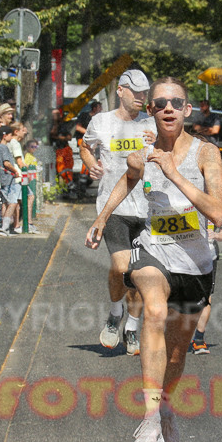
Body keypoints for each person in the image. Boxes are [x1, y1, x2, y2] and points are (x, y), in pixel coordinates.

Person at [86, 77, 222, 442]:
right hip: (153, 251)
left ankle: (165, 411)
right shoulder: (142, 153)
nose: (167, 107)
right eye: (160, 102)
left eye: (175, 102)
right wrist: (102, 218)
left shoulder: (205, 153)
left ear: (186, 110)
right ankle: (149, 418)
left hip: (195, 263)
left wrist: (173, 173)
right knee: (154, 309)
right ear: (152, 110)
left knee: (177, 356)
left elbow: (218, 212)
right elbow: (127, 181)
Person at [80, 70, 155, 355]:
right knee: (122, 267)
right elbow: (85, 146)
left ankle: (132, 326)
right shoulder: (101, 121)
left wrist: (158, 143)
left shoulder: (151, 124)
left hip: (147, 209)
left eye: (144, 93)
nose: (141, 98)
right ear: (121, 91)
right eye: (136, 92)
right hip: (115, 207)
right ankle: (114, 315)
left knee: (140, 275)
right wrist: (90, 162)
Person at [190, 206, 222, 355]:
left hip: (208, 257)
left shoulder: (217, 203)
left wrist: (215, 235)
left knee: (206, 297)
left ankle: (199, 339)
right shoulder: (182, 198)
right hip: (182, 257)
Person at [0, 125, 21, 236]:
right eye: (10, 135)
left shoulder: (0, 147)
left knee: (5, 203)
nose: (12, 137)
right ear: (5, 136)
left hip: (4, 179)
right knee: (13, 202)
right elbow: (6, 163)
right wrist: (15, 171)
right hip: (7, 178)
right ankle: (5, 227)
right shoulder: (3, 147)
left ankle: (4, 227)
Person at [49, 108, 75, 185]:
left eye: (57, 114)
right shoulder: (49, 126)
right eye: (54, 114)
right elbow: (51, 134)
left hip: (65, 149)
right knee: (60, 169)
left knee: (67, 168)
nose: (55, 116)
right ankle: (64, 185)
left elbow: (69, 137)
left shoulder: (63, 125)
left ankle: (69, 184)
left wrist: (59, 137)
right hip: (56, 151)